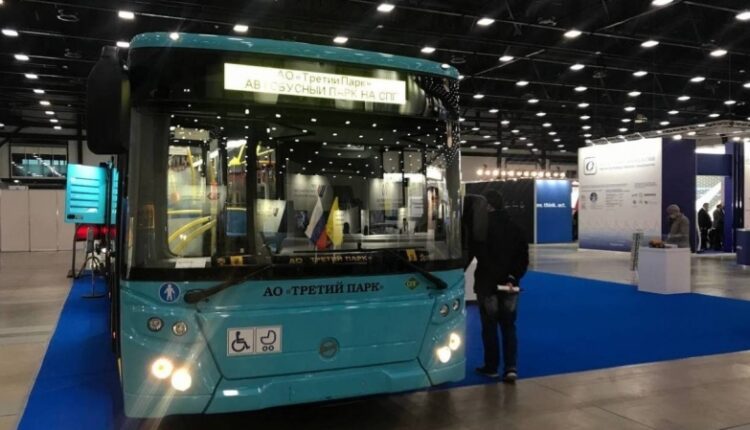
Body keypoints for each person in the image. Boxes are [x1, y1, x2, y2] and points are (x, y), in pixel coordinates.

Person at [474, 190, 529, 384]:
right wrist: (512, 277)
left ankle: (491, 367)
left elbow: (481, 256)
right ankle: (510, 368)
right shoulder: (516, 228)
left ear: (488, 206)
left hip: (487, 285)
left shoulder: (482, 230)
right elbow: (523, 258)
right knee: (508, 326)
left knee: (489, 327)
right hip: (510, 286)